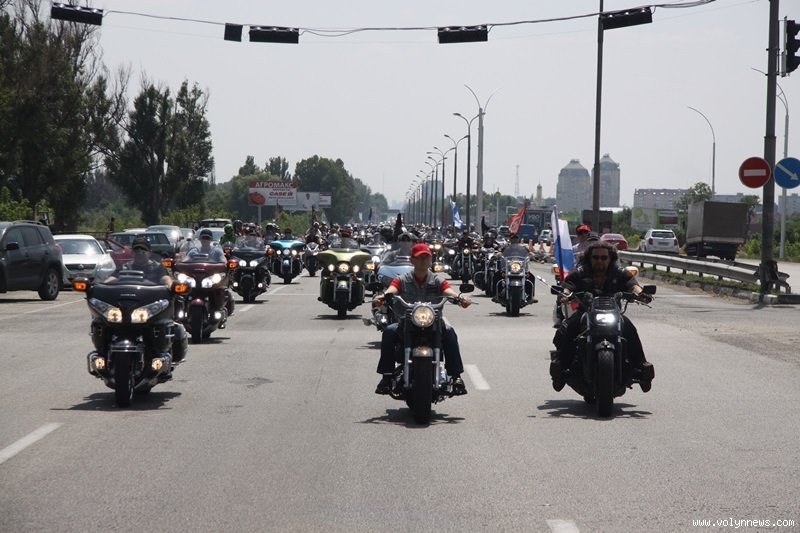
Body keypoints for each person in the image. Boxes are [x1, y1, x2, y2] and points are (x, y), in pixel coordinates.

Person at [551, 241, 654, 392]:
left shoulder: (618, 272)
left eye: (604, 258)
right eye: (596, 257)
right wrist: (565, 295)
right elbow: (568, 285)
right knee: (569, 328)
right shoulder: (581, 272)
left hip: (613, 314)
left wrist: (641, 294)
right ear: (589, 258)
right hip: (586, 313)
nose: (599, 261)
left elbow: (632, 285)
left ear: (610, 258)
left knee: (629, 328)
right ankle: (561, 368)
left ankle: (641, 367)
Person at [373, 243, 471, 395]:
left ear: (431, 260)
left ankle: (456, 377)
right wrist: (384, 296)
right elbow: (392, 289)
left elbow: (448, 291)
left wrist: (459, 297)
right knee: (389, 332)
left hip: (434, 321)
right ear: (412, 260)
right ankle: (386, 377)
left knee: (450, 333)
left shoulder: (437, 280)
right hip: (407, 321)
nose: (423, 261)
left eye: (426, 257)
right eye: (420, 258)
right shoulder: (402, 279)